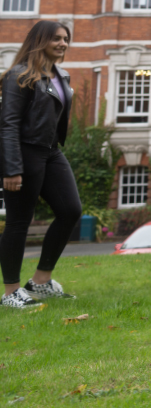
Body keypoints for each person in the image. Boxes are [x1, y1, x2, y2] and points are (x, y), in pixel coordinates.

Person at [0, 21, 81, 309]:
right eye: (57, 38)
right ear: (40, 40)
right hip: (24, 152)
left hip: (51, 151)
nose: (63, 43)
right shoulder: (18, 76)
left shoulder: (62, 75)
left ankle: (40, 281)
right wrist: (11, 168)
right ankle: (10, 292)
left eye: (66, 39)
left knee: (71, 210)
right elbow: (7, 125)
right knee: (19, 221)